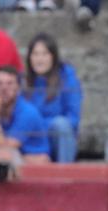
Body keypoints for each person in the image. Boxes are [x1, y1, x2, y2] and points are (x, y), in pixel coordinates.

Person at [21, 32, 78, 163]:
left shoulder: (67, 79)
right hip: (30, 139)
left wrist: (40, 127)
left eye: (44, 54)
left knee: (61, 125)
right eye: (35, 54)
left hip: (54, 137)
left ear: (53, 57)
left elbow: (73, 119)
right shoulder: (23, 81)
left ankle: (64, 175)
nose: (39, 59)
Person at [0, 64, 46, 170]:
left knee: (6, 157)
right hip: (16, 159)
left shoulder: (28, 112)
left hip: (34, 166)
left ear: (18, 88)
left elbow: (3, 149)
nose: (4, 88)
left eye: (9, 83)